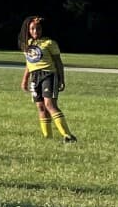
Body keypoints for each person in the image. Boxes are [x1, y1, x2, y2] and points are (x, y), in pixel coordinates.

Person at [20, 15, 76, 144]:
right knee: (40, 107)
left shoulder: (49, 43)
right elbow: (29, 63)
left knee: (49, 104)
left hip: (48, 75)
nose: (35, 31)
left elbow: (58, 62)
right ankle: (47, 138)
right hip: (35, 77)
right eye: (32, 28)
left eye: (38, 28)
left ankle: (68, 135)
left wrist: (61, 79)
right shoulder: (27, 44)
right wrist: (25, 79)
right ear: (28, 30)